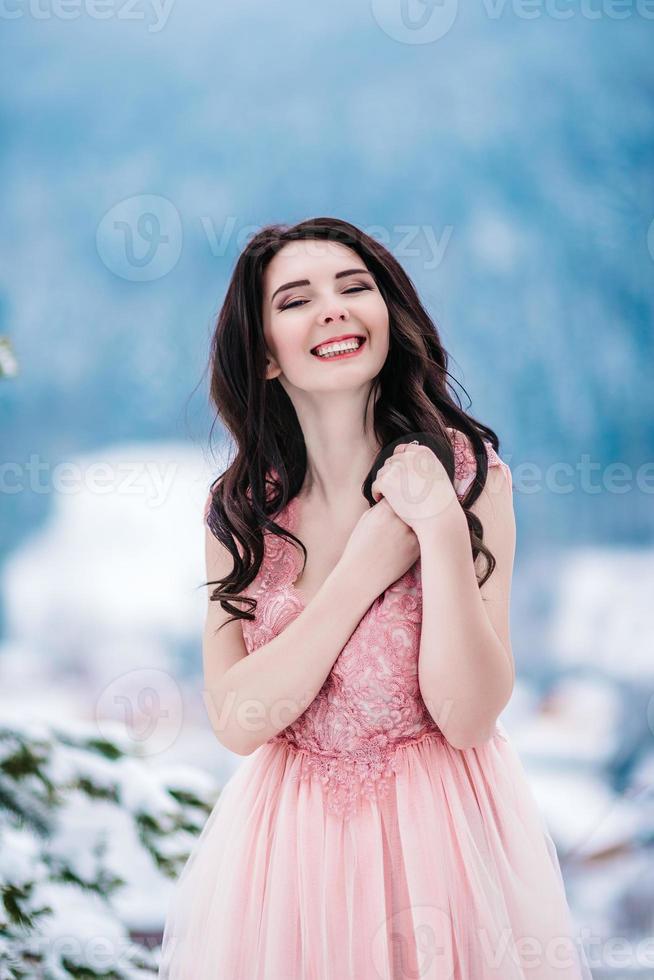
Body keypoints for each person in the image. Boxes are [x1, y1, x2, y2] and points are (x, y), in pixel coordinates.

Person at [158, 217, 592, 979]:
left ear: (389, 317)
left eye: (355, 287)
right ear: (262, 354)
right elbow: (237, 720)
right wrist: (364, 567)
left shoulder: (468, 474)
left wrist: (440, 530)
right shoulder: (240, 512)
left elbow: (468, 715)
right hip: (287, 859)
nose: (333, 307)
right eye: (296, 298)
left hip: (445, 842)